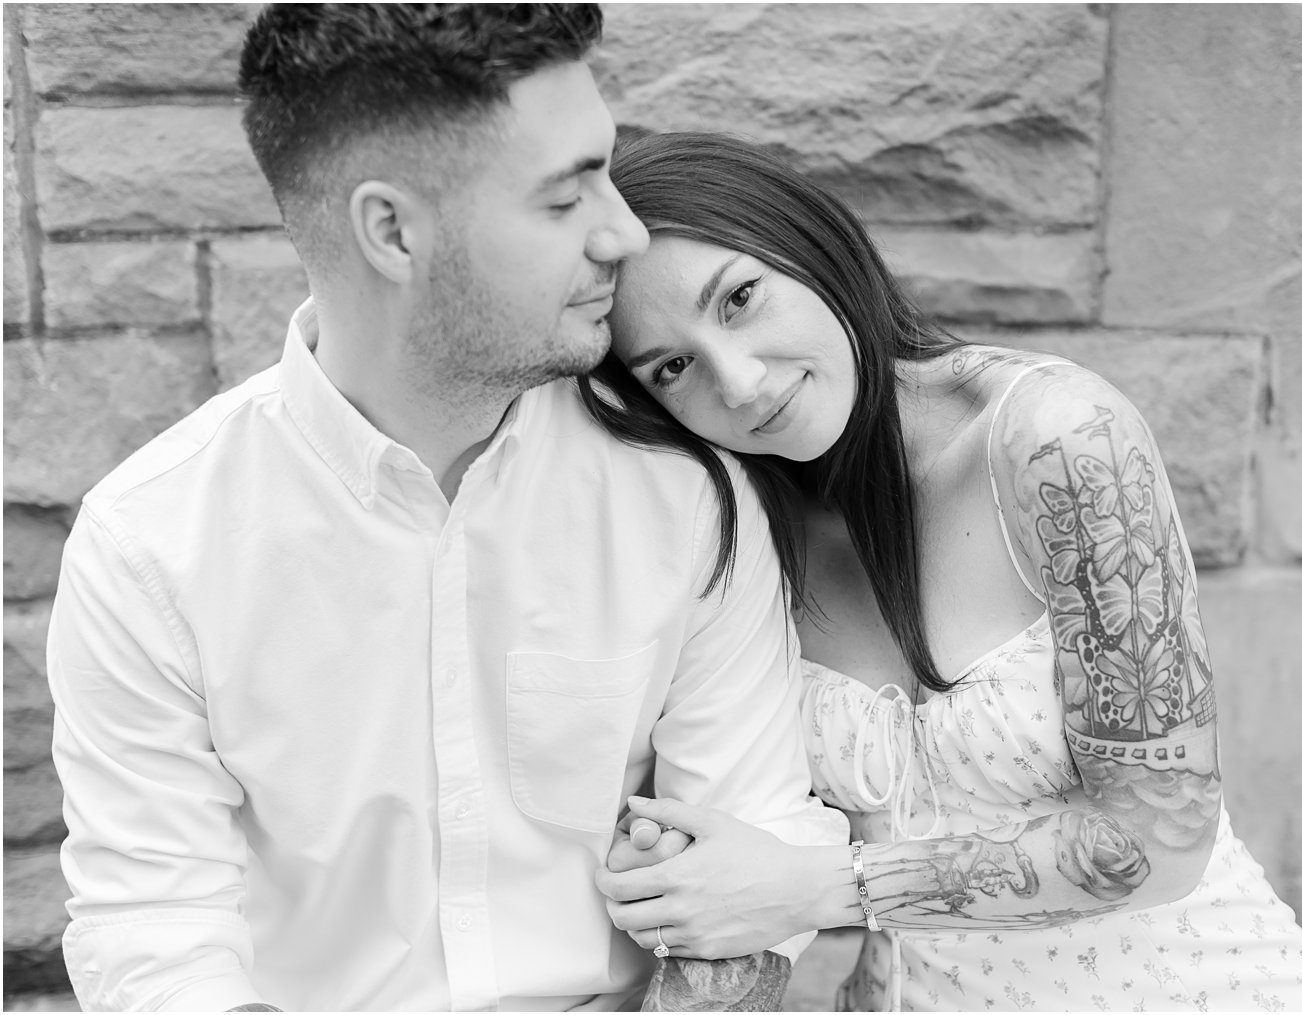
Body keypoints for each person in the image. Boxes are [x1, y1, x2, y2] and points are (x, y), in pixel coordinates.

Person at [46, 10, 845, 1012]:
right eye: (565, 200)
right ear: (392, 231)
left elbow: (747, 862)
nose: (624, 231)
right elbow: (155, 934)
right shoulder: (151, 546)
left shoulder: (684, 497)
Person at [582, 132, 1302, 1012]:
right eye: (673, 366)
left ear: (809, 243)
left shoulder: (1057, 441)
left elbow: (1158, 837)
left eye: (741, 299)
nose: (741, 380)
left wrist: (818, 885)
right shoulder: (736, 524)